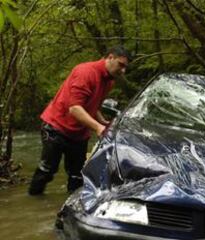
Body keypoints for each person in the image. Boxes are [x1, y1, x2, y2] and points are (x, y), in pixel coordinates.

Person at [28, 46, 131, 195]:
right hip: (56, 127)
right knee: (47, 170)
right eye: (121, 65)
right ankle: (33, 202)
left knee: (77, 176)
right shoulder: (86, 72)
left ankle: (73, 211)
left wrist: (103, 122)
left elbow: (93, 104)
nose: (123, 71)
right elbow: (75, 108)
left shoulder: (109, 81)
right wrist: (97, 127)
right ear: (110, 57)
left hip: (79, 133)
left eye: (125, 67)